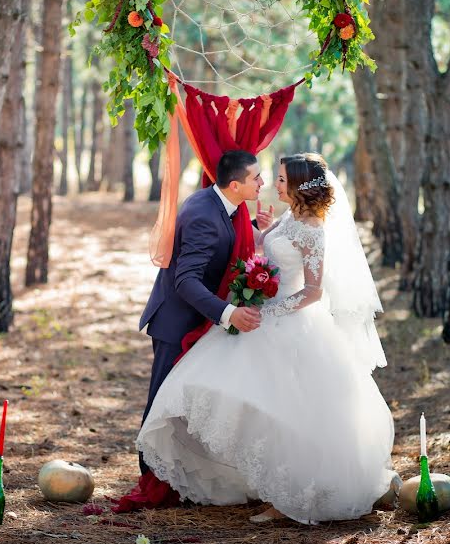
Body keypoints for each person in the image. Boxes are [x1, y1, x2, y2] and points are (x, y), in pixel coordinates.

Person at [138, 153, 394, 524]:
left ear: (301, 188)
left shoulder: (313, 229)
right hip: (259, 314)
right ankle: (241, 477)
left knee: (286, 408)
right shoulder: (289, 216)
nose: (273, 183)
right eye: (269, 177)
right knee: (248, 399)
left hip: (289, 322)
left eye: (282, 179)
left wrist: (269, 311)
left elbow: (313, 291)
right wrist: (263, 232)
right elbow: (268, 248)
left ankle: (286, 496)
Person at [138, 149, 268, 476]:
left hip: (197, 320)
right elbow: (186, 280)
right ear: (236, 184)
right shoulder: (202, 215)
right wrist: (228, 314)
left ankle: (178, 474)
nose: (262, 183)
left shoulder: (222, 205)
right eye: (256, 178)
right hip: (177, 322)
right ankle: (151, 477)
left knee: (185, 405)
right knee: (162, 403)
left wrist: (252, 227)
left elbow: (221, 243)